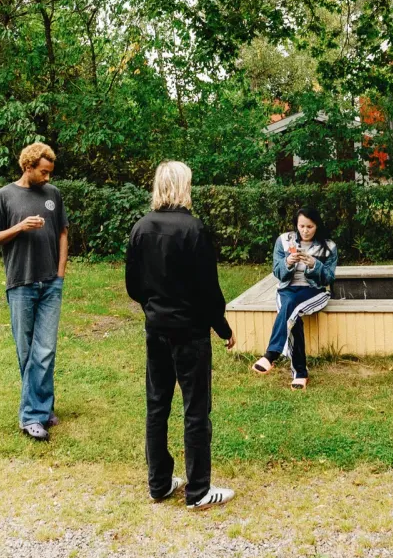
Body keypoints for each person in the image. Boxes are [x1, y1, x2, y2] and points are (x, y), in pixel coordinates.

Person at [125, 161, 236, 511]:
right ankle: (198, 490)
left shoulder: (141, 228)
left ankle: (158, 483)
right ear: (183, 186)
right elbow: (208, 290)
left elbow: (133, 285)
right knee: (196, 409)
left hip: (156, 329)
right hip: (190, 332)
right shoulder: (194, 230)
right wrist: (222, 327)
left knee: (157, 405)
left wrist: (154, 307)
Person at [0, 142, 69, 441]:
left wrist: (60, 274)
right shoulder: (5, 195)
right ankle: (41, 409)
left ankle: (33, 415)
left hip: (50, 283)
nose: (48, 177)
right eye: (43, 172)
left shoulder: (53, 194)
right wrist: (20, 227)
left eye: (50, 172)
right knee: (27, 351)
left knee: (45, 349)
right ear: (28, 167)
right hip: (20, 282)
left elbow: (63, 233)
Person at [251, 207, 338, 391]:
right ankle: (300, 374)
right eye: (301, 226)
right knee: (293, 311)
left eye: (310, 227)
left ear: (317, 226)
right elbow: (277, 272)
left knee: (292, 308)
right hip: (287, 290)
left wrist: (314, 265)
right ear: (296, 225)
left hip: (314, 291)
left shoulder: (329, 246)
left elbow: (329, 278)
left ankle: (271, 355)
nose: (305, 231)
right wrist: (287, 263)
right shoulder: (284, 241)